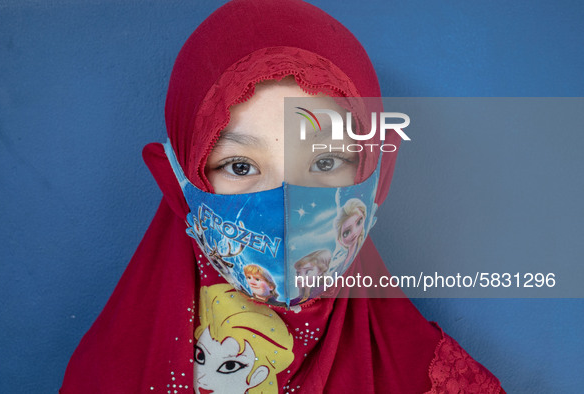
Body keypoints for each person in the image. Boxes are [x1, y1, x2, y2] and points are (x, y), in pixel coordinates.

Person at [61, 1, 504, 392]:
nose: (287, 210)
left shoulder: (437, 383)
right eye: (240, 166)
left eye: (326, 162)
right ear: (179, 185)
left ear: (376, 175)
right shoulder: (108, 376)